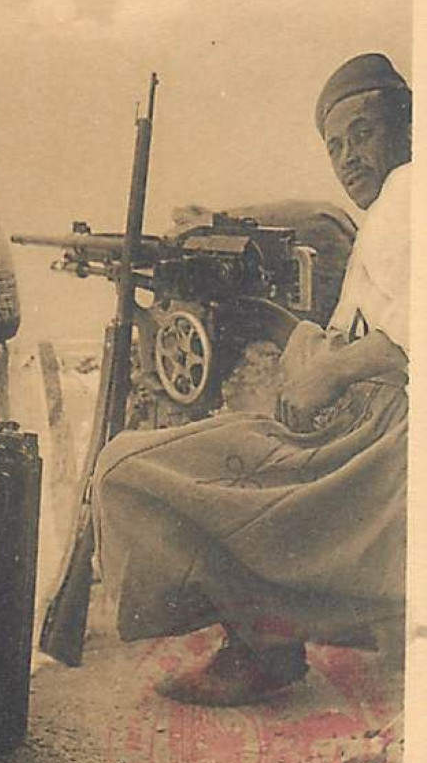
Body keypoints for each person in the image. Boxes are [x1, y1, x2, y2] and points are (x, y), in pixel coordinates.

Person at [92, 53, 410, 706]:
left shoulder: (412, 188)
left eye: (362, 134)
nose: (347, 157)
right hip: (368, 427)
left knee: (126, 469)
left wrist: (330, 372)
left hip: (382, 441)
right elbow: (367, 326)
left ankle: (262, 644)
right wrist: (301, 342)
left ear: (408, 128)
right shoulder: (390, 212)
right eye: (333, 146)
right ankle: (263, 640)